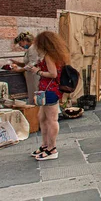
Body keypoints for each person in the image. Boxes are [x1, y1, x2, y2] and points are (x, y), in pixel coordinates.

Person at [29, 31, 69, 161]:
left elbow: (53, 74)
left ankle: (52, 148)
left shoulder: (49, 56)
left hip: (50, 91)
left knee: (51, 120)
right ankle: (45, 145)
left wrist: (38, 71)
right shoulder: (54, 55)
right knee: (42, 118)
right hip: (46, 90)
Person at [10, 32, 39, 105]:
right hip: (30, 76)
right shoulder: (29, 49)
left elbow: (32, 64)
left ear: (25, 41)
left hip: (34, 76)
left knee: (35, 93)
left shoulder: (33, 49)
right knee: (32, 93)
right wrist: (17, 63)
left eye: (20, 44)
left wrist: (19, 70)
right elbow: (27, 63)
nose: (21, 46)